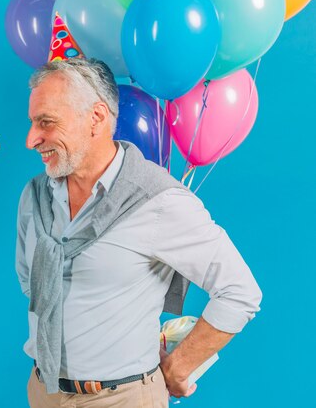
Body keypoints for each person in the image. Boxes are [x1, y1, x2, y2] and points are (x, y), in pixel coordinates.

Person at [16, 55, 262, 408]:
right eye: (33, 123)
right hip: (43, 392)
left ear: (96, 118)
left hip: (123, 399)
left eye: (46, 123)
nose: (31, 139)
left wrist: (179, 366)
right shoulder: (34, 196)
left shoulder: (158, 201)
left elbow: (240, 292)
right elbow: (32, 284)